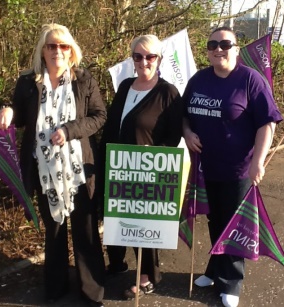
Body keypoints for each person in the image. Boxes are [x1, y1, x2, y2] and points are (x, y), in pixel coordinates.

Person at [0, 23, 107, 307]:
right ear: (42, 51)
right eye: (51, 46)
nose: (58, 51)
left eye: (63, 46)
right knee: (54, 230)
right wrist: (8, 110)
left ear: (71, 51)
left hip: (79, 170)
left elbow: (99, 115)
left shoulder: (84, 80)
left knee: (85, 231)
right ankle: (55, 288)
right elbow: (20, 115)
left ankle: (91, 291)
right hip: (44, 170)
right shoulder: (28, 82)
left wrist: (70, 130)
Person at [182, 26, 283, 307]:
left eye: (225, 44)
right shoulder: (199, 79)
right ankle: (214, 270)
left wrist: (258, 162)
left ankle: (232, 281)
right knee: (214, 220)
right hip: (205, 168)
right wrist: (187, 133)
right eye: (213, 44)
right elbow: (184, 115)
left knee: (232, 224)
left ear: (236, 49)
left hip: (238, 169)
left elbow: (268, 123)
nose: (219, 49)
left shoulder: (250, 80)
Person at [100, 34, 182, 299]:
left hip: (148, 170)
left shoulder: (167, 92)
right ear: (132, 58)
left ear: (158, 59)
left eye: (150, 56)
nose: (143, 61)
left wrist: (157, 154)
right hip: (118, 166)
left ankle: (147, 275)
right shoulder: (125, 86)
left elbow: (175, 135)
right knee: (117, 217)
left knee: (142, 224)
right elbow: (113, 125)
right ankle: (116, 264)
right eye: (138, 56)